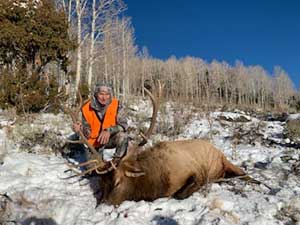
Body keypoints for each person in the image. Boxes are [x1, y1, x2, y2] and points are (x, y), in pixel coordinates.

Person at [73, 82, 129, 164]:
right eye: (101, 94)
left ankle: (118, 162)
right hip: (95, 142)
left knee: (123, 136)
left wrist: (109, 130)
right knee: (94, 170)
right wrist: (80, 129)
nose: (104, 98)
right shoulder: (86, 108)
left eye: (107, 94)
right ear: (96, 94)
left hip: (110, 139)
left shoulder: (117, 105)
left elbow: (123, 125)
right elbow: (87, 132)